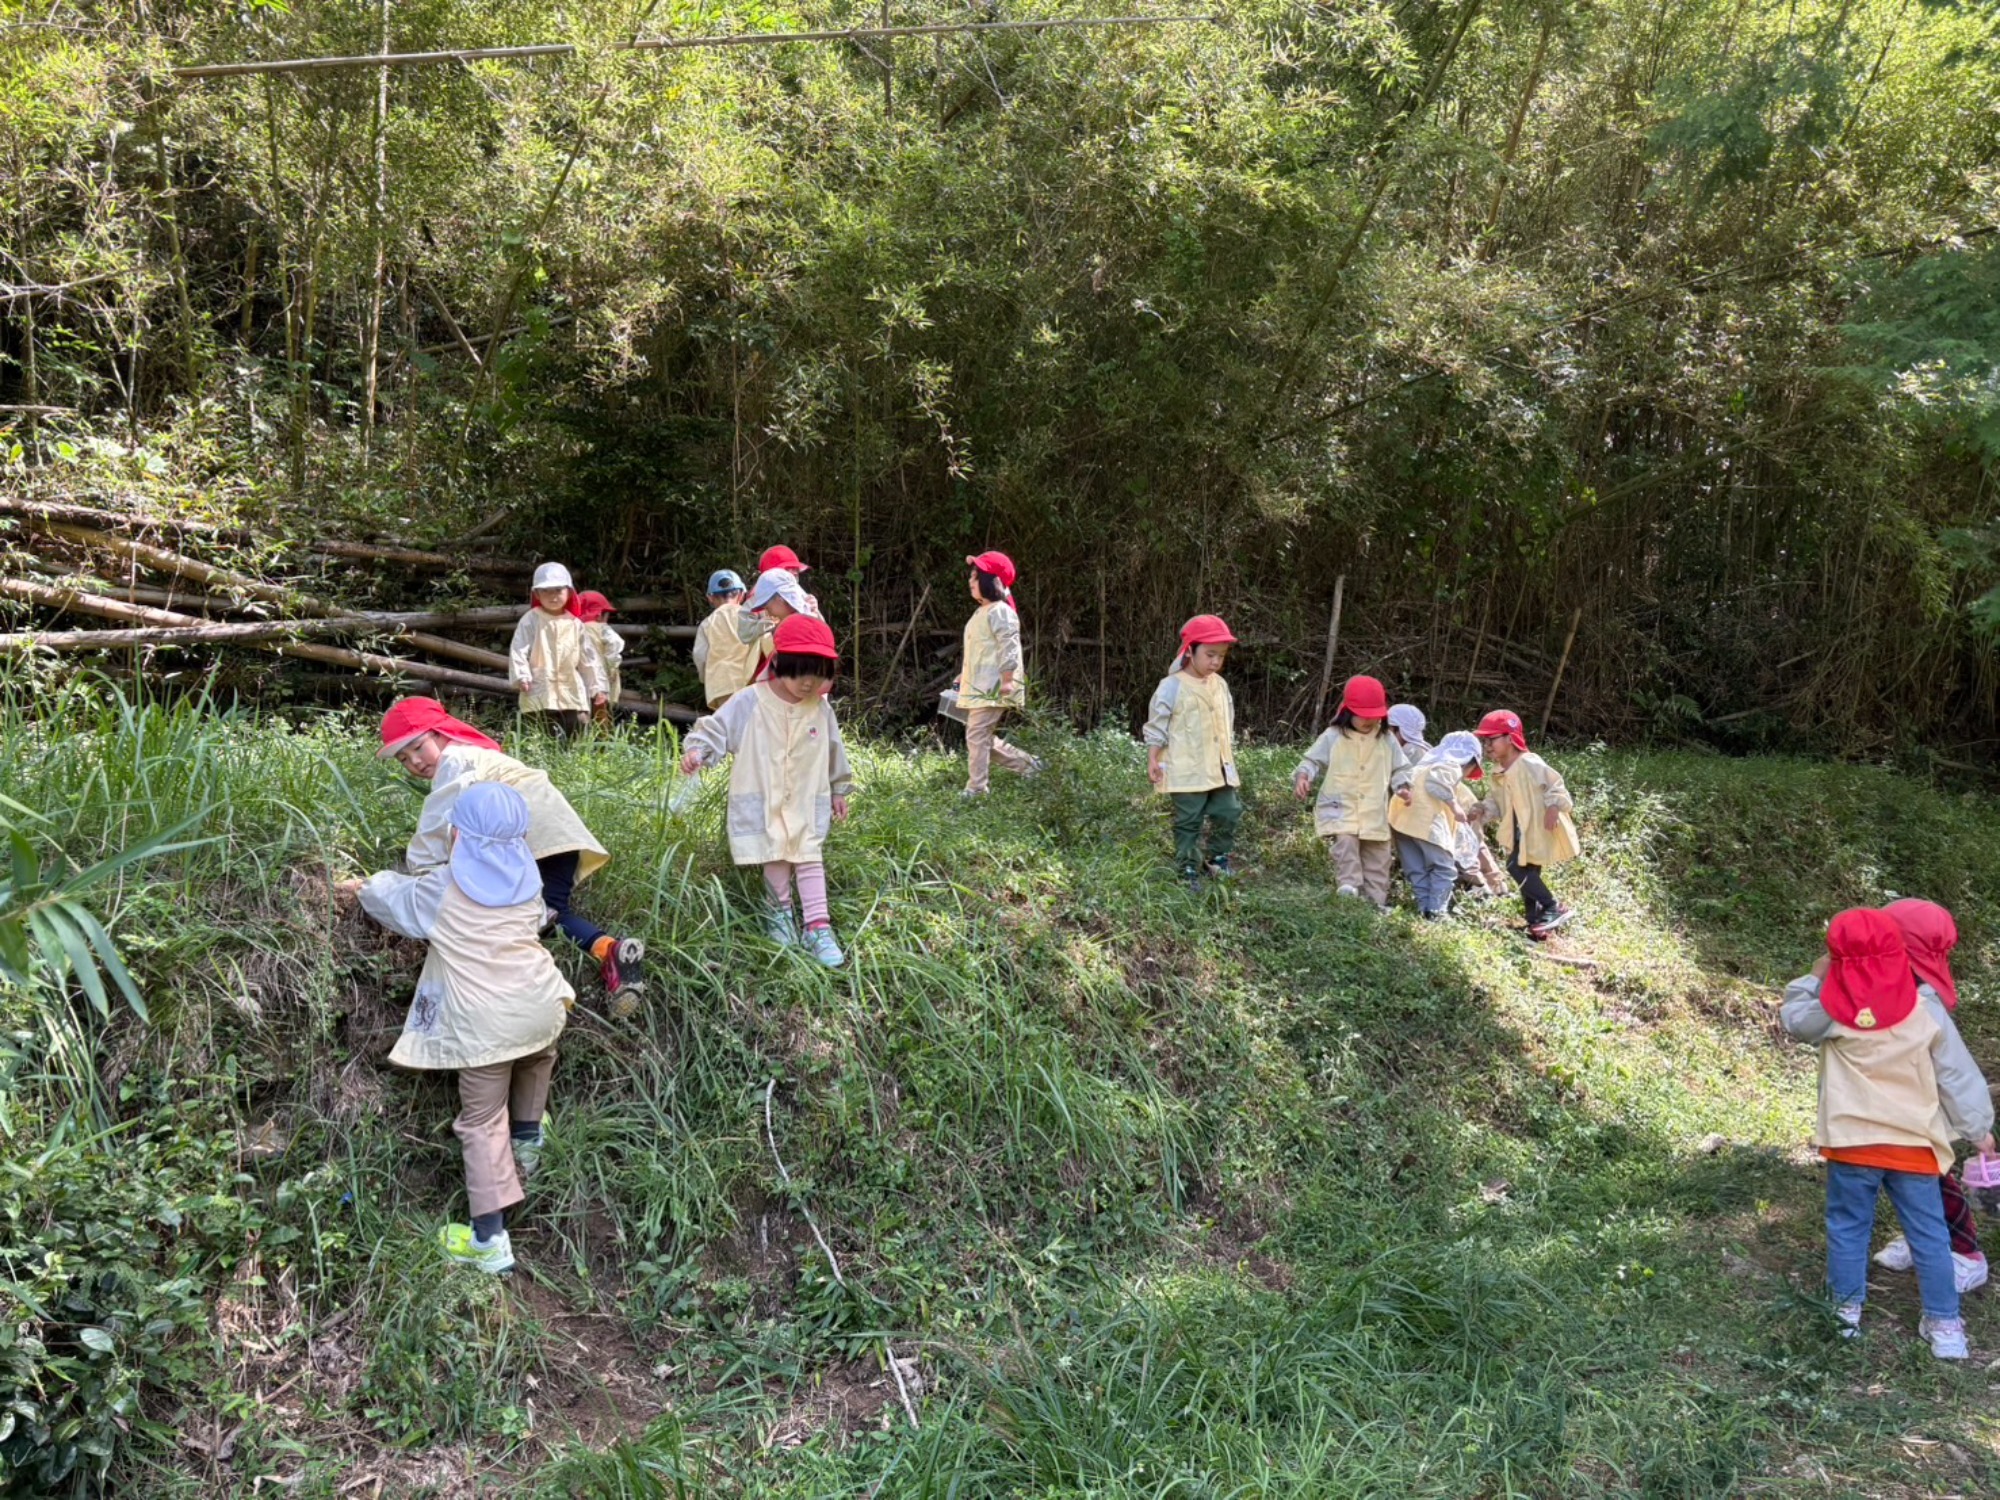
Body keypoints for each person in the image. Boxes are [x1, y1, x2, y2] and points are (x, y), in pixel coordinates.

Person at [353, 782, 572, 1275]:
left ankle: (488, 1241)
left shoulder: (442, 889)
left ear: (458, 835)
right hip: (543, 1004)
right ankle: (529, 1147)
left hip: (485, 1025)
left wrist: (367, 883)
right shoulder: (529, 882)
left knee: (479, 1121)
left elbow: (390, 901)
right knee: (535, 1064)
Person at [1779, 909, 1996, 1358]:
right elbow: (1956, 1074)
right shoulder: (1926, 1006)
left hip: (1853, 1144)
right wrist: (1980, 1130)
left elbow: (1795, 1021)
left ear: (1838, 958)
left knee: (1849, 1228)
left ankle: (1844, 1313)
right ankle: (1945, 1327)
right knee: (1930, 1235)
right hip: (1914, 1146)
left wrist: (1815, 976)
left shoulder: (1833, 1009)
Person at [378, 697, 645, 1015]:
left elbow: (436, 823)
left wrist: (420, 874)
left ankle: (538, 1002)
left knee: (513, 921)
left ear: (440, 732)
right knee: (548, 912)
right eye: (404, 759)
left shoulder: (455, 759)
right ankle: (610, 952)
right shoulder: (482, 757)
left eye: (418, 747)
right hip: (558, 836)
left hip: (526, 838)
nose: (415, 762)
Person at [679, 614, 854, 968]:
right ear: (778, 663)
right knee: (775, 854)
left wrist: (839, 788)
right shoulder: (750, 701)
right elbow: (717, 728)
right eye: (800, 671)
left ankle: (818, 927)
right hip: (765, 795)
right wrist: (698, 750)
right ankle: (779, 915)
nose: (808, 682)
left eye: (818, 672)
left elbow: (835, 749)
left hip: (807, 798)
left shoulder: (820, 708)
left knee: (807, 855)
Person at [1871, 899, 1989, 1292]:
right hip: (1885, 1117)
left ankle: (1967, 1254)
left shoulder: (1925, 1008)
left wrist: (1978, 1128)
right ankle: (1923, 1239)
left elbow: (1956, 1072)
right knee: (1898, 1183)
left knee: (1934, 1182)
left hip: (1922, 1121)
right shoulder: (1872, 992)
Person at [1291, 675, 1411, 909]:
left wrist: (1403, 786)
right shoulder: (1334, 736)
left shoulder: (1386, 739)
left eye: (1374, 715)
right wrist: (1303, 776)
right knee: (1345, 843)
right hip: (1342, 807)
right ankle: (1349, 886)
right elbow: (1311, 760)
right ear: (1347, 712)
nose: (1368, 720)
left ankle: (1375, 902)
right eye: (1362, 715)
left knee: (1379, 857)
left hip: (1374, 811)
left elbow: (1401, 767)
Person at [1144, 614, 1241, 887]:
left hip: (1219, 766)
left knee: (1229, 810)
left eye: (1221, 656)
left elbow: (1227, 720)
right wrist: (1153, 756)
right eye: (1210, 654)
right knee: (1189, 819)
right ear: (1190, 650)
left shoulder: (1220, 684)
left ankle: (1218, 858)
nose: (1215, 662)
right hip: (1185, 767)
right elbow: (1157, 723)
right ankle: (1187, 867)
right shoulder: (1172, 686)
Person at [1468, 709, 1578, 939]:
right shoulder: (1499, 772)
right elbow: (1497, 802)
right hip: (1518, 830)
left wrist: (1553, 807)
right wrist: (1481, 809)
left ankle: (1553, 906)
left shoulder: (1529, 762)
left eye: (1492, 739)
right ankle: (1536, 925)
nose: (1487, 745)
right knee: (1527, 871)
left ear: (1510, 738)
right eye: (1484, 741)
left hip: (1536, 828)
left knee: (1515, 867)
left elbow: (1555, 785)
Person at [955, 551, 1041, 796]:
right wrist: (964, 675)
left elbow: (1009, 646)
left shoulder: (1000, 611)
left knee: (976, 734)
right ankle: (1030, 765)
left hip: (993, 686)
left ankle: (977, 788)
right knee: (980, 737)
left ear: (990, 581)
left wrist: (1007, 679)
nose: (970, 581)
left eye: (975, 576)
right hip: (980, 685)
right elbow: (978, 651)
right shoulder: (981, 612)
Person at [510, 563, 608, 738]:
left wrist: (597, 687)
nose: (552, 596)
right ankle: (544, 757)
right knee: (541, 723)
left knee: (577, 722)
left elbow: (588, 659)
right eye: (546, 591)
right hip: (540, 683)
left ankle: (573, 757)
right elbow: (519, 648)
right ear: (536, 594)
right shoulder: (530, 620)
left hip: (569, 684)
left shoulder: (575, 624)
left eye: (558, 590)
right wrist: (522, 675)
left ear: (569, 592)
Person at [1390, 729, 1477, 919]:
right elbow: (1436, 784)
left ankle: (1424, 909)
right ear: (1468, 760)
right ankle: (1437, 912)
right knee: (1443, 868)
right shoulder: (1450, 765)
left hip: (1401, 821)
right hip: (1426, 822)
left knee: (1416, 868)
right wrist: (1455, 808)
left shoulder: (1424, 765)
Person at [691, 569, 769, 708]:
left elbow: (700, 656)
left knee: (727, 727)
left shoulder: (707, 623)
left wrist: (705, 678)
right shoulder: (750, 618)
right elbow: (766, 644)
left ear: (710, 597)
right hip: (748, 682)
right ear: (742, 594)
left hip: (719, 687)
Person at [735, 565, 822, 647]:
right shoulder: (809, 618)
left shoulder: (801, 625)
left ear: (781, 598)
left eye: (768, 608)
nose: (768, 613)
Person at [575, 590, 623, 724]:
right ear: (599, 614)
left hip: (580, 675)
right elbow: (615, 644)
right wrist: (612, 667)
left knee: (583, 707)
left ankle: (583, 736)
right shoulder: (602, 628)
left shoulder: (574, 628)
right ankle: (603, 740)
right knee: (601, 710)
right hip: (601, 675)